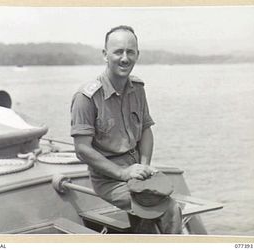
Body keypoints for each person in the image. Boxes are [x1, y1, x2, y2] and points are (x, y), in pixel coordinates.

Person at [70, 25, 182, 233]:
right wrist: (123, 173)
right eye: (118, 51)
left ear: (137, 55)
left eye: (130, 52)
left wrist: (145, 165)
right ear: (105, 55)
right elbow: (82, 149)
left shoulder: (137, 89)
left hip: (137, 169)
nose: (124, 58)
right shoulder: (86, 97)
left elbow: (146, 129)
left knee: (151, 214)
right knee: (169, 209)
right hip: (108, 177)